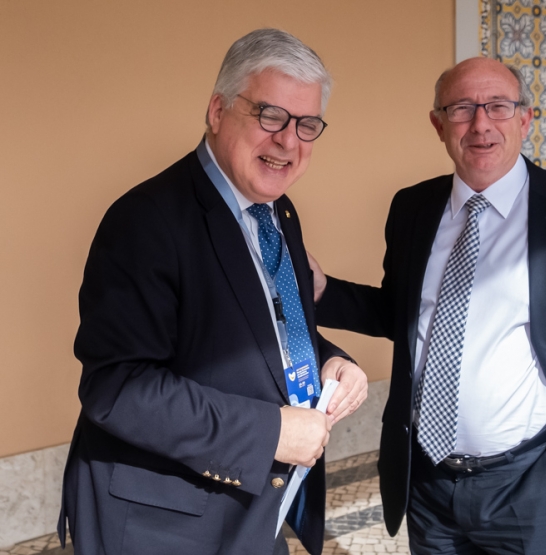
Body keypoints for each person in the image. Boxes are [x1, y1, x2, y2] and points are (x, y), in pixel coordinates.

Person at [312, 57, 546, 554]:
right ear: (438, 125)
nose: (481, 124)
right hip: (427, 482)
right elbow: (403, 314)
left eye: (499, 106)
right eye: (461, 108)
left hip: (533, 482)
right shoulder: (412, 208)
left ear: (525, 119)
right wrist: (321, 291)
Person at [58, 28, 368, 555]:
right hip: (161, 526)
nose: (288, 141)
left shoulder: (277, 212)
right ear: (218, 110)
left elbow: (261, 326)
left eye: (307, 124)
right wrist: (270, 433)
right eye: (270, 115)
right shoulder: (145, 221)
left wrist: (328, 360)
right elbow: (117, 389)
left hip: (251, 512)